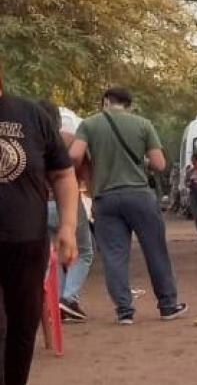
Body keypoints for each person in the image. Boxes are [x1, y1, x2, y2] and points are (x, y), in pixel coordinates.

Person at [69, 87, 187, 324]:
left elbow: (73, 156)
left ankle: (124, 311)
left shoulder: (89, 125)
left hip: (105, 198)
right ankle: (167, 306)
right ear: (129, 105)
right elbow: (159, 164)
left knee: (114, 256)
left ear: (105, 102)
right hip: (139, 196)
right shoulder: (143, 124)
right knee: (155, 251)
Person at [0, 63, 78, 385]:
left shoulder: (30, 115)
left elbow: (62, 174)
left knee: (24, 323)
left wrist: (68, 227)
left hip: (26, 243)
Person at [36, 100, 96, 323]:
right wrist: (92, 195)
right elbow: (84, 167)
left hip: (40, 205)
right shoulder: (69, 140)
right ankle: (68, 298)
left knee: (54, 256)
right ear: (58, 120)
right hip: (66, 204)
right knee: (84, 251)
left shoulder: (30, 140)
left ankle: (54, 303)